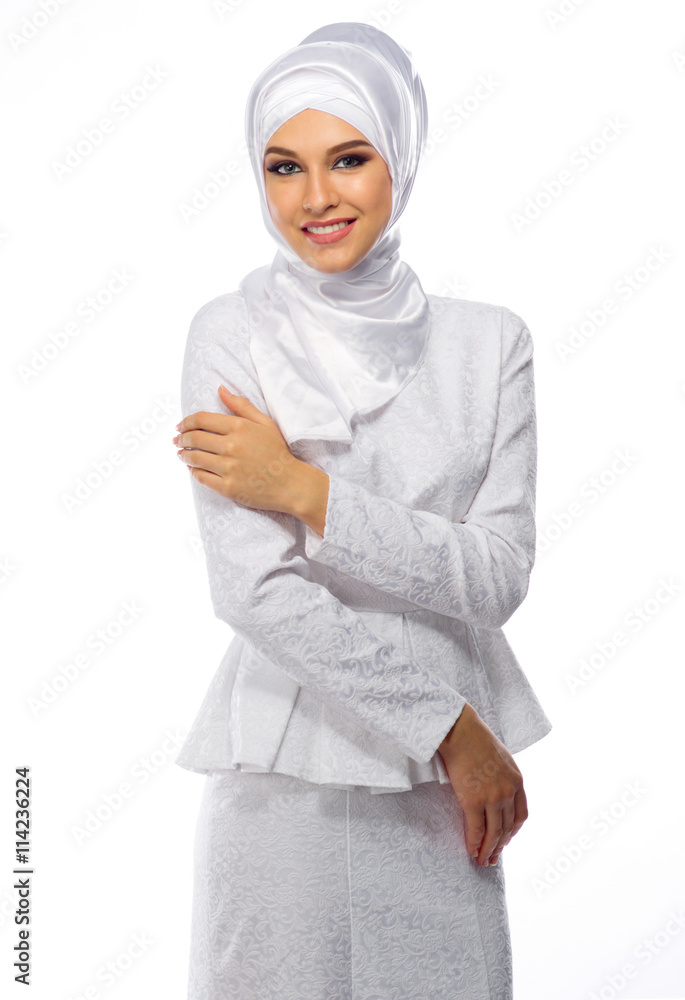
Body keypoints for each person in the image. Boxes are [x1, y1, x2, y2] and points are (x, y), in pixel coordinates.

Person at [173, 20, 552, 1000]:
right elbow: (254, 589)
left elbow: (496, 577)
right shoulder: (232, 333)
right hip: (287, 788)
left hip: (437, 808)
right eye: (283, 167)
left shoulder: (489, 345)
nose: (315, 197)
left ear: (400, 156)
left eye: (348, 158)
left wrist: (308, 493)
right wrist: (451, 728)